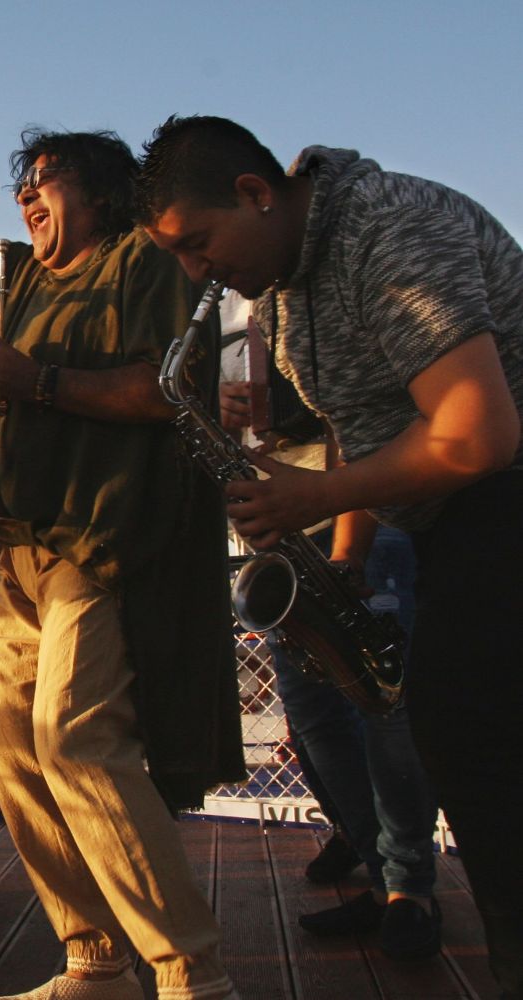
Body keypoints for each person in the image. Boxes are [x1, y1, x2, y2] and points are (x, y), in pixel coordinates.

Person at [0, 33, 244, 1000]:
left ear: (103, 193)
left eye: (47, 178)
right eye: (21, 181)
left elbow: (170, 388)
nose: (27, 193)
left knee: (77, 741)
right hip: (14, 553)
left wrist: (39, 380)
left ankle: (190, 971)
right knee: (10, 753)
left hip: (99, 545)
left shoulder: (142, 262)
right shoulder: (15, 274)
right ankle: (92, 956)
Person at [138, 114, 523, 999]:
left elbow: (478, 434)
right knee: (460, 748)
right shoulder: (279, 283)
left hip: (499, 503)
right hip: (436, 524)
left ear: (255, 192)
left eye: (199, 244)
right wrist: (333, 537)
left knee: (481, 756)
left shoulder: (392, 229)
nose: (199, 273)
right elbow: (364, 420)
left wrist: (313, 499)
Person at [220, 295, 442, 957]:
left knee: (383, 705)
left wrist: (350, 544)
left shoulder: (310, 285)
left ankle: (410, 891)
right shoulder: (216, 305)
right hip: (276, 515)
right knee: (313, 712)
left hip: (351, 506)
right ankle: (382, 876)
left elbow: (364, 419)